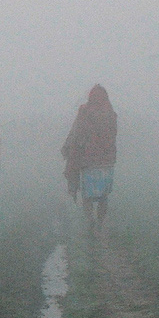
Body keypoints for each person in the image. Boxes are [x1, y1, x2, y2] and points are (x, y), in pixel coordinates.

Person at [61, 85, 118, 234]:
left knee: (88, 195)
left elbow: (76, 132)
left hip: (88, 161)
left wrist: (71, 147)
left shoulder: (85, 112)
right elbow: (112, 136)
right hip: (105, 162)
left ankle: (91, 220)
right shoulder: (110, 114)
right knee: (103, 196)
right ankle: (99, 222)